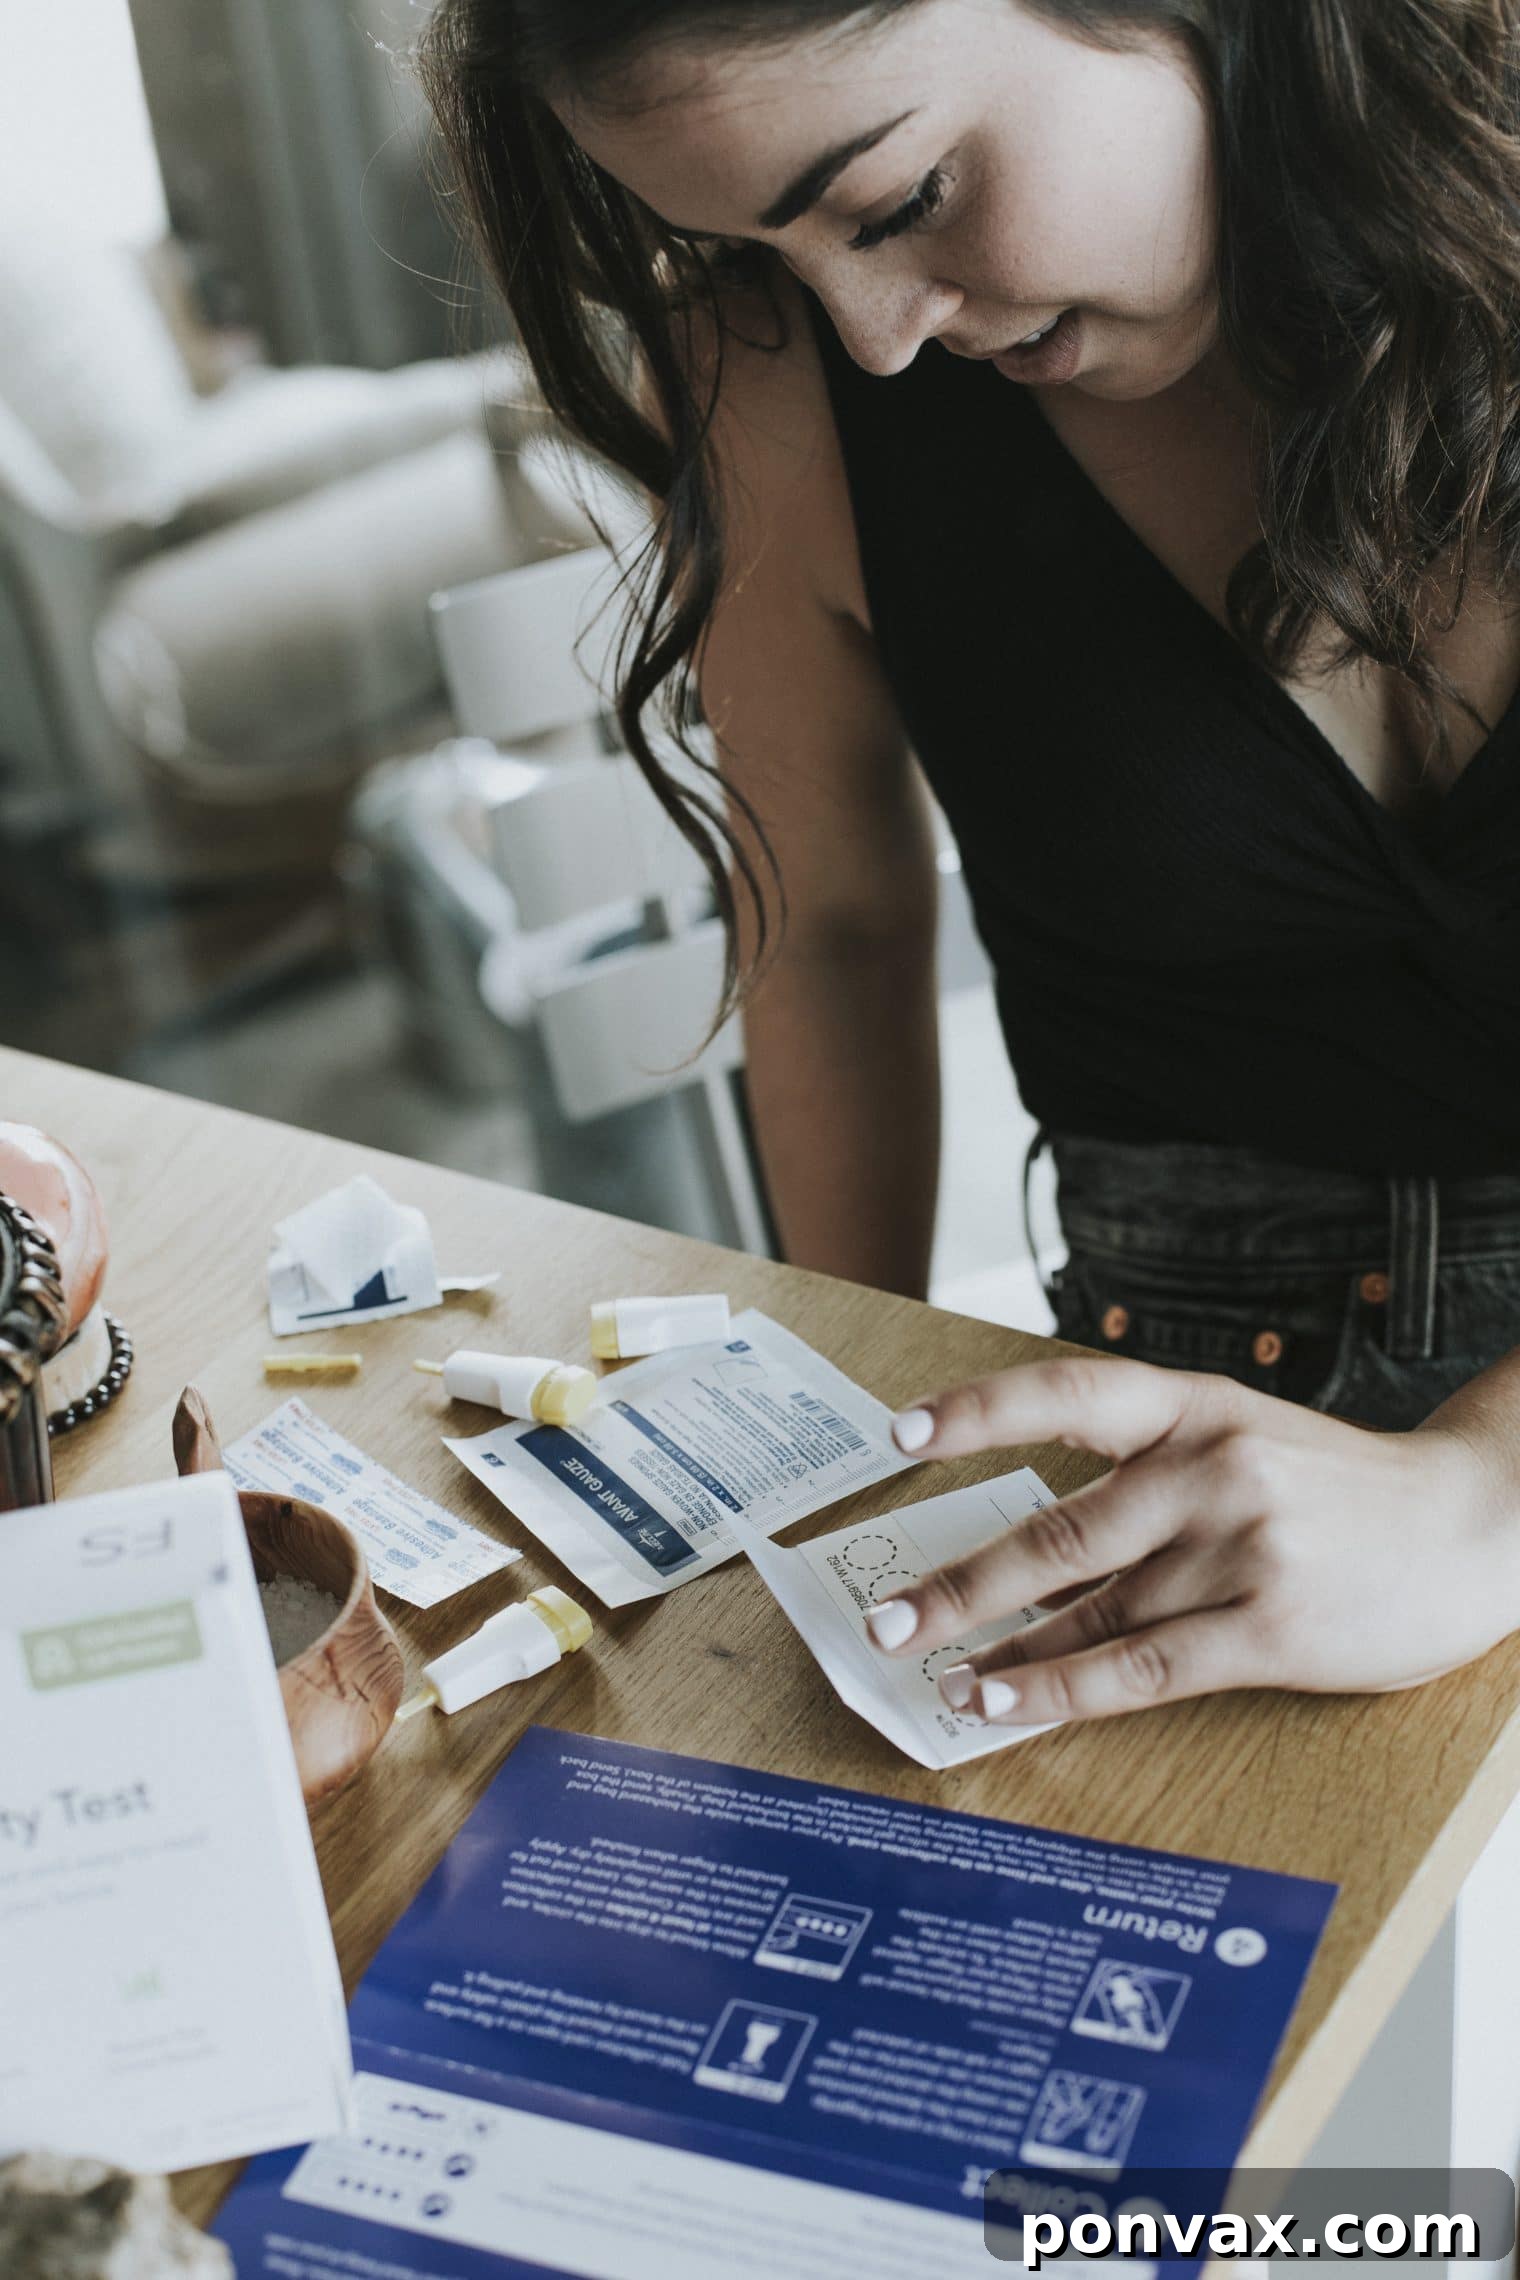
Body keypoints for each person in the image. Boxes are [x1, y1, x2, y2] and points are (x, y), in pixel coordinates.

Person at [419, 0, 1520, 1727]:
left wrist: (1479, 1495)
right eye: (755, 247)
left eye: (905, 193)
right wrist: (834, 1432)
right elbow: (836, 930)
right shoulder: (776, 375)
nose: (870, 337)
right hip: (1175, 1385)